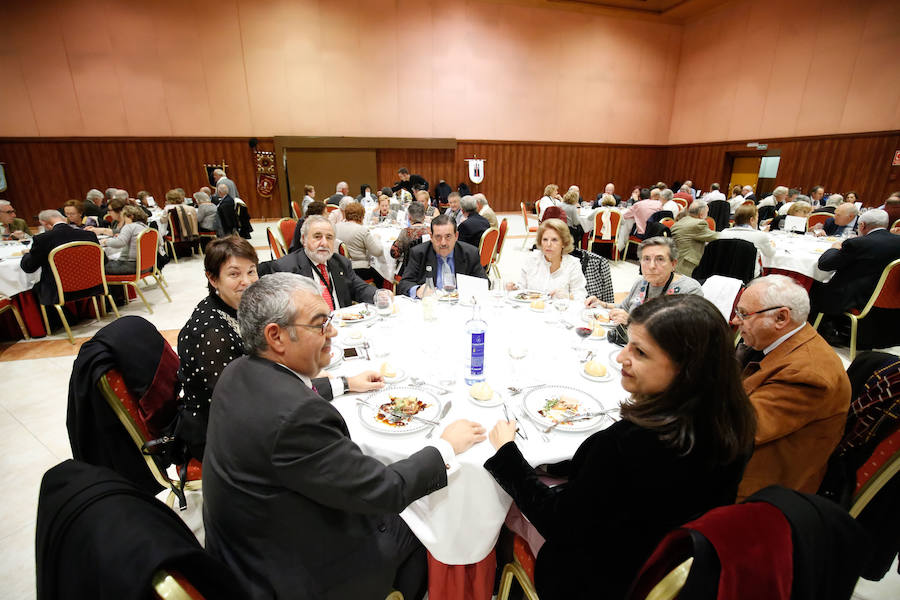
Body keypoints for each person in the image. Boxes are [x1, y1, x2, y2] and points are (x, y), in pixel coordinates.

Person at [203, 273, 484, 600]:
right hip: (289, 575)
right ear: (276, 337)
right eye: (320, 324)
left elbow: (291, 394)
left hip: (241, 548)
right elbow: (384, 489)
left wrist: (344, 383)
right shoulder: (299, 418)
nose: (332, 332)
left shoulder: (238, 370)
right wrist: (445, 447)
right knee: (429, 519)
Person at [485, 294, 756, 599]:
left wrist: (507, 453)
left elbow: (559, 524)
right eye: (628, 344)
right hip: (671, 565)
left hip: (599, 581)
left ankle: (495, 579)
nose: (620, 357)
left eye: (639, 352)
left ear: (686, 369)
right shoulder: (734, 423)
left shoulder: (630, 445)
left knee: (499, 502)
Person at [177, 237, 383, 461]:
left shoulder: (239, 307)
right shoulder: (212, 334)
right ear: (213, 278)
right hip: (221, 437)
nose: (246, 282)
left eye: (251, 271)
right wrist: (342, 384)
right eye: (234, 274)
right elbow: (256, 402)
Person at [730, 275, 850, 500]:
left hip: (762, 484)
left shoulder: (807, 374)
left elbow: (738, 429)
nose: (736, 321)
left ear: (781, 317)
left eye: (743, 314)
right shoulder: (779, 341)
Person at [258, 215, 377, 306]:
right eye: (317, 236)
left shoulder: (341, 262)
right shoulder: (286, 268)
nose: (324, 243)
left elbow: (359, 288)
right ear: (304, 239)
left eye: (329, 237)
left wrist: (378, 295)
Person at [585, 237, 703, 323]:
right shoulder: (641, 282)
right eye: (646, 259)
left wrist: (633, 322)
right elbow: (625, 308)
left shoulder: (689, 290)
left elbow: (682, 334)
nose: (651, 266)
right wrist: (601, 304)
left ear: (673, 264)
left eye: (660, 259)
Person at [812, 209, 900, 317]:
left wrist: (834, 248)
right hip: (888, 297)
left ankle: (818, 323)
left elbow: (825, 264)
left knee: (814, 284)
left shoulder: (858, 243)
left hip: (853, 298)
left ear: (862, 225)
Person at [20, 210, 99, 306]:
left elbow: (29, 267)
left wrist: (27, 254)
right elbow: (102, 261)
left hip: (59, 290)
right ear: (64, 219)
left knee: (35, 286)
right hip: (93, 286)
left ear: (46, 224)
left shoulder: (42, 239)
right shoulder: (89, 235)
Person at [397, 214, 487, 298]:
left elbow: (485, 283)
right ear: (431, 237)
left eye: (448, 236)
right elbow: (404, 283)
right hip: (431, 307)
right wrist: (417, 290)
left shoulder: (470, 253)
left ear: (456, 236)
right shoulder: (419, 253)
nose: (443, 243)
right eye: (438, 237)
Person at [507, 219, 586, 300]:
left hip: (560, 311)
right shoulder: (532, 259)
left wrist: (568, 296)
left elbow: (581, 295)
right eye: (545, 239)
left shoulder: (572, 264)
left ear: (564, 243)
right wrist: (514, 288)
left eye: (554, 240)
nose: (548, 244)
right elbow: (521, 288)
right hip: (532, 309)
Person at [335, 202, 384, 287]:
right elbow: (377, 252)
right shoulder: (362, 231)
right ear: (361, 216)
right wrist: (377, 238)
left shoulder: (335, 227)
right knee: (382, 276)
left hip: (338, 268)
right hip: (358, 270)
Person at [718, 204, 774, 276]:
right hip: (750, 276)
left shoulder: (723, 233)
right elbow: (770, 254)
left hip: (724, 273)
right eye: (757, 217)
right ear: (752, 220)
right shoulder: (760, 236)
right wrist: (771, 244)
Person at [669, 199, 718, 276]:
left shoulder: (682, 220)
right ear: (701, 214)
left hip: (675, 260)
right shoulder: (698, 223)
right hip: (686, 266)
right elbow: (716, 237)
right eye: (707, 212)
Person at [101, 205, 150, 274]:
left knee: (98, 268)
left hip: (130, 266)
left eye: (124, 217)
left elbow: (120, 243)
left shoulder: (129, 226)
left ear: (131, 216)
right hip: (146, 266)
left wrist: (106, 242)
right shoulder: (146, 227)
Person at [390, 202, 430, 271]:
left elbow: (395, 254)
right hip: (427, 268)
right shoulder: (430, 231)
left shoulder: (405, 232)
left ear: (409, 217)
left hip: (409, 269)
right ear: (424, 217)